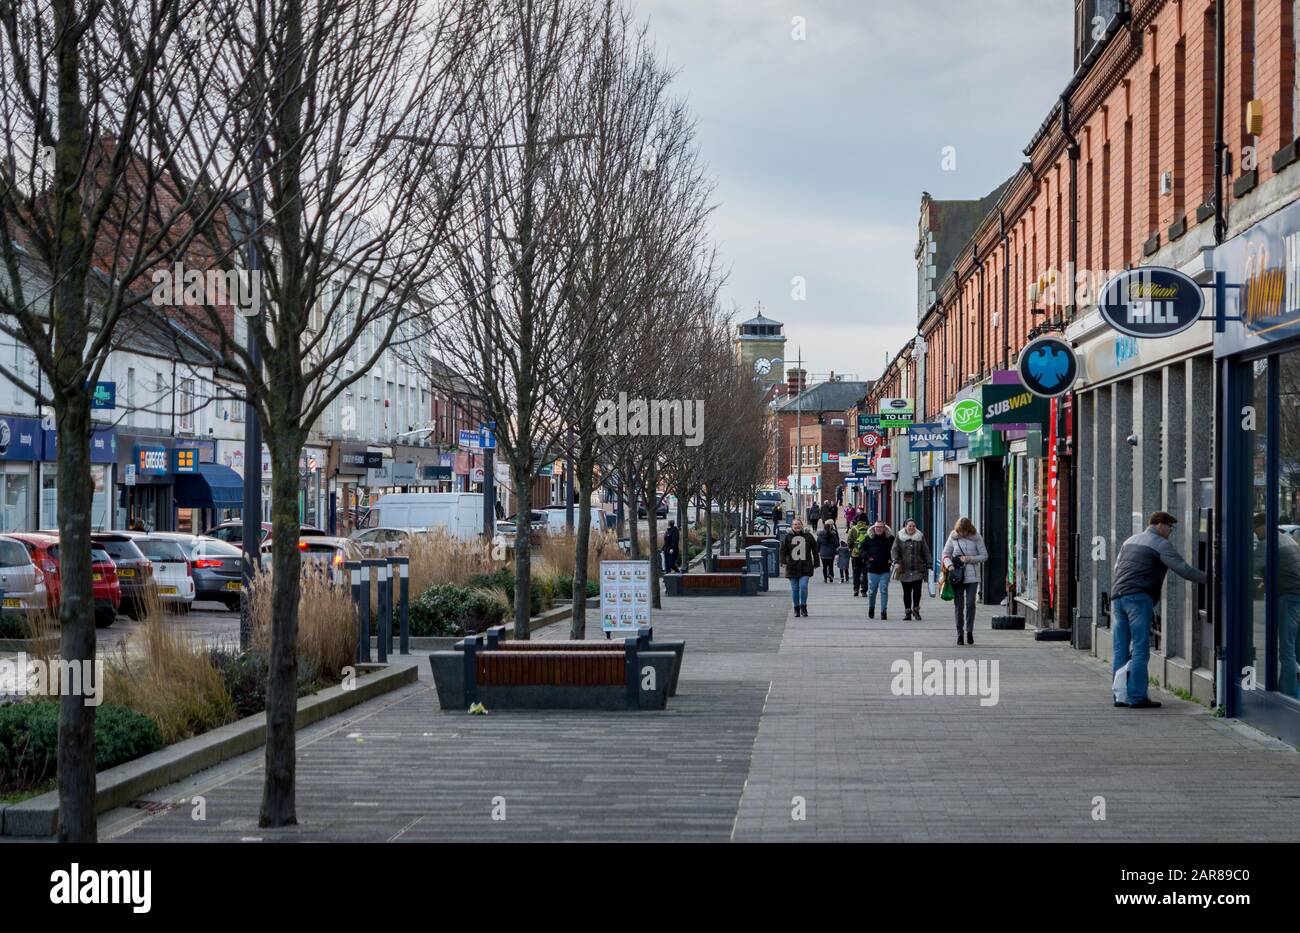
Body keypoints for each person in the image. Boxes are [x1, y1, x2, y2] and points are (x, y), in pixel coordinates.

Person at [1108, 511, 1208, 708]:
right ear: (1161, 524)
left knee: (1120, 648)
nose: (1171, 531)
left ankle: (1120, 695)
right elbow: (1183, 569)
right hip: (1138, 597)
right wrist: (1212, 580)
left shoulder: (1130, 540)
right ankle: (1136, 697)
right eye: (1171, 527)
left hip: (1118, 597)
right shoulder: (1161, 544)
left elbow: (1117, 567)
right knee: (1140, 648)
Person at [942, 517, 988, 645]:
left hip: (972, 576)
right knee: (959, 605)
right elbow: (945, 554)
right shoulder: (953, 537)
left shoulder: (977, 537)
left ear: (969, 529)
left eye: (965, 531)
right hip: (957, 576)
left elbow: (984, 556)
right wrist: (950, 565)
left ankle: (969, 631)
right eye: (961, 531)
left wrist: (970, 559)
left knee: (970, 604)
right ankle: (959, 634)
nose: (963, 534)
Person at [892, 518, 932, 620]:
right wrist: (896, 561)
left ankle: (916, 610)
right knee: (907, 591)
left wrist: (929, 564)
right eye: (909, 526)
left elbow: (926, 551)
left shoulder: (920, 537)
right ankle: (908, 612)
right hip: (904, 568)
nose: (911, 528)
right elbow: (894, 550)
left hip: (917, 568)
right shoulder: (899, 536)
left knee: (917, 591)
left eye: (913, 526)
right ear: (905, 526)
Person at [781, 517, 818, 617]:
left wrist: (816, 562)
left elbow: (815, 549)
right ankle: (796, 608)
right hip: (792, 567)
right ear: (792, 526)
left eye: (798, 524)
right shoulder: (787, 537)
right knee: (795, 589)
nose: (797, 526)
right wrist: (783, 562)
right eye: (795, 524)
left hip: (806, 566)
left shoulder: (808, 536)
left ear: (802, 525)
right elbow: (783, 550)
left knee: (803, 586)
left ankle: (803, 606)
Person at [863, 519, 895, 620]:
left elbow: (895, 550)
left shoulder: (890, 539)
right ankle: (871, 608)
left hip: (885, 569)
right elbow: (861, 549)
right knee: (872, 592)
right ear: (874, 527)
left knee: (884, 590)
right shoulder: (869, 538)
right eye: (877, 527)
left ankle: (883, 612)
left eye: (881, 527)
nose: (878, 529)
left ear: (884, 528)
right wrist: (868, 557)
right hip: (872, 569)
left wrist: (891, 559)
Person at [848, 513, 870, 596]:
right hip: (866, 555)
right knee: (865, 572)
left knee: (856, 572)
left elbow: (849, 541)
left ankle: (856, 589)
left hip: (856, 554)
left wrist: (852, 549)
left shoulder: (854, 529)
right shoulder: (869, 529)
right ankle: (864, 590)